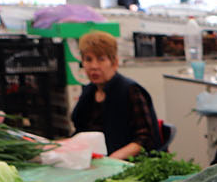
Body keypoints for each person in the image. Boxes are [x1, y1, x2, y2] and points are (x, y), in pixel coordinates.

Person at [70, 30, 163, 159]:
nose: (94, 66)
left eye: (101, 59)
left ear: (114, 62)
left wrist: (113, 159)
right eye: (88, 59)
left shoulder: (131, 91)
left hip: (127, 162)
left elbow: (145, 138)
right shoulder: (89, 92)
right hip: (94, 159)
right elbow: (80, 130)